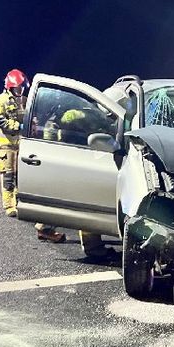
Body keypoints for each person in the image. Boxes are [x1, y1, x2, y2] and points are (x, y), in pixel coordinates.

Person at [0, 69, 65, 242]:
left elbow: (31, 118)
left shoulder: (24, 101)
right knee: (8, 176)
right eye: (17, 89)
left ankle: (18, 201)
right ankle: (9, 205)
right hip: (6, 144)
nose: (20, 92)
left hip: (21, 145)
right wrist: (16, 126)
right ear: (9, 87)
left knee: (20, 175)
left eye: (22, 88)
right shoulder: (0, 100)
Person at [42, 105, 117, 258]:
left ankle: (44, 226)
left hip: (68, 158)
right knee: (88, 203)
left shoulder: (63, 114)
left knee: (66, 198)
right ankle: (93, 248)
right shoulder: (81, 114)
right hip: (79, 157)